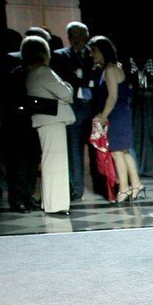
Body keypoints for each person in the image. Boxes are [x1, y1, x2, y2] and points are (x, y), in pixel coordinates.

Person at [21, 35, 76, 215]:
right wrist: (67, 85)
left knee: (50, 161)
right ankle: (56, 204)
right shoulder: (43, 72)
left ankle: (50, 202)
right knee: (55, 163)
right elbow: (66, 94)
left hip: (45, 120)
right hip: (52, 120)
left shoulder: (31, 72)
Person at [91, 36, 142, 202]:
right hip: (121, 113)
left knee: (116, 152)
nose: (92, 54)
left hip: (117, 114)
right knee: (124, 151)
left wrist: (103, 116)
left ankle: (124, 188)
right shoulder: (111, 68)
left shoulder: (111, 69)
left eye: (95, 51)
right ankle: (136, 184)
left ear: (103, 52)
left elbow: (112, 96)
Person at [51, 22, 95, 200]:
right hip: (73, 109)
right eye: (72, 36)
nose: (76, 40)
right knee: (74, 151)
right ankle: (76, 188)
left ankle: (103, 186)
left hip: (94, 108)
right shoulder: (60, 56)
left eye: (80, 36)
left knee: (98, 149)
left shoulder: (94, 54)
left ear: (86, 37)